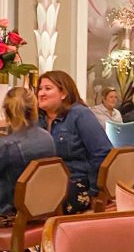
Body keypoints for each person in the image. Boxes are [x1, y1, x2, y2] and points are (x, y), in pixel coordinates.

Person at [0, 88, 55, 227]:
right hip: (40, 212)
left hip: (7, 215)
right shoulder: (47, 138)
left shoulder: (6, 146)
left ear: (6, 111)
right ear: (34, 108)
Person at [37, 70, 112, 213]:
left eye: (48, 88)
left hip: (77, 183)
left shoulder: (79, 114)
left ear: (64, 93)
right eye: (40, 89)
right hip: (44, 183)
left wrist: (96, 192)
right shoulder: (37, 119)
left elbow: (102, 153)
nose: (41, 93)